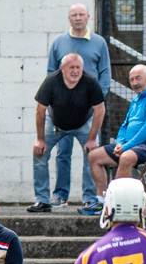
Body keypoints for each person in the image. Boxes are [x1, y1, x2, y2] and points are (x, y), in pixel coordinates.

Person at [46, 3, 112, 208]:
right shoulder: (58, 42)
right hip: (62, 112)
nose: (78, 18)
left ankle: (91, 197)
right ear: (68, 18)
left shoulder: (99, 42)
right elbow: (50, 73)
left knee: (91, 153)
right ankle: (60, 196)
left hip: (89, 112)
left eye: (81, 14)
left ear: (88, 17)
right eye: (74, 14)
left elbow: (105, 75)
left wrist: (95, 101)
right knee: (62, 154)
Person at [86, 65, 146, 215]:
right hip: (131, 145)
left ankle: (115, 204)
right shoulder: (136, 99)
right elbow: (125, 126)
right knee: (94, 156)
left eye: (138, 78)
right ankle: (101, 201)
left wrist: (126, 147)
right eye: (131, 80)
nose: (134, 83)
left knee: (126, 157)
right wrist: (120, 143)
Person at [29, 52, 105, 213]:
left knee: (93, 156)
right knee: (39, 154)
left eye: (78, 67)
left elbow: (100, 110)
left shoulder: (90, 82)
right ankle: (42, 201)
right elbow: (40, 111)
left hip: (84, 124)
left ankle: (90, 199)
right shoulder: (51, 82)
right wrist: (40, 140)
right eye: (71, 67)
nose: (75, 71)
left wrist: (92, 139)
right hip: (55, 124)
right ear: (62, 68)